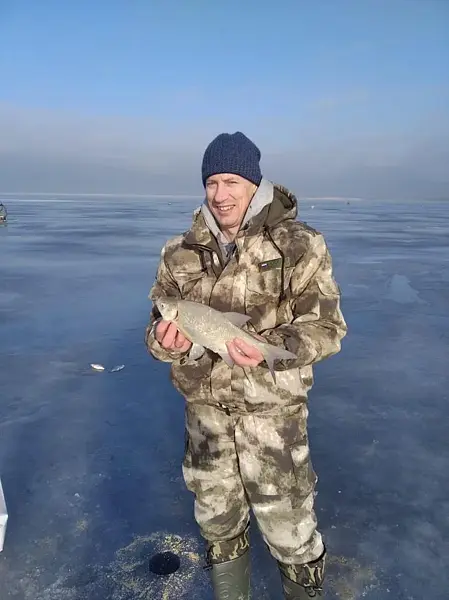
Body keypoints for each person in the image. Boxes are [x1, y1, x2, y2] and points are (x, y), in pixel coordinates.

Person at [145, 132, 347, 599]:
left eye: (232, 181)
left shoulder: (299, 245)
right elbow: (155, 331)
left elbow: (327, 328)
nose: (220, 194)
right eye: (212, 182)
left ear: (255, 184)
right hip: (206, 422)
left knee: (291, 533)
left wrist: (269, 348)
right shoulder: (179, 251)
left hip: (273, 421)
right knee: (217, 523)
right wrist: (166, 342)